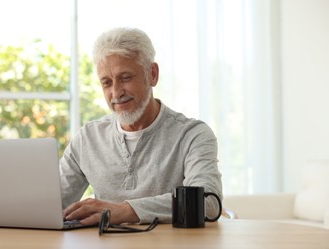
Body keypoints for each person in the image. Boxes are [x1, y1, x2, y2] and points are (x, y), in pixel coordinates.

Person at [61, 27, 222, 225]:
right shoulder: (87, 138)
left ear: (152, 74)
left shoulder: (193, 135)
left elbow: (208, 202)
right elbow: (53, 204)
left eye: (126, 78)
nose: (116, 92)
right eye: (107, 82)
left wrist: (124, 211)